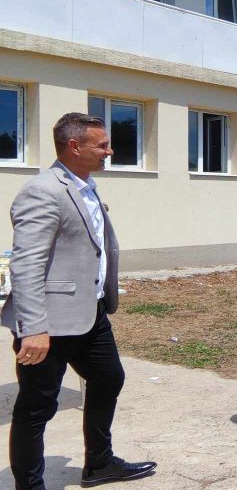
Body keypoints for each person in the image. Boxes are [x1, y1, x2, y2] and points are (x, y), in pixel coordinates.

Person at [3, 113, 157, 489]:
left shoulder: (85, 186)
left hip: (90, 311)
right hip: (49, 320)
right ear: (74, 146)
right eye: (102, 145)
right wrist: (33, 328)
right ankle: (29, 485)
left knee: (108, 377)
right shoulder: (43, 190)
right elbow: (26, 263)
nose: (110, 151)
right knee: (37, 406)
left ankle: (99, 463)